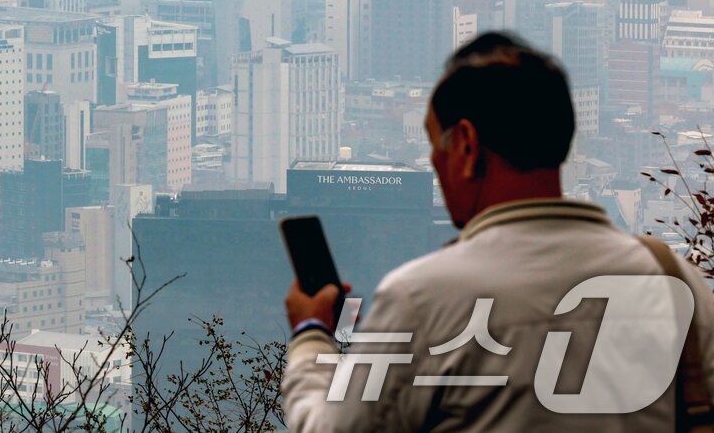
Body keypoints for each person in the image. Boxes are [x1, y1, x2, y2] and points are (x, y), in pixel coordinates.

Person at [282, 32, 714, 431]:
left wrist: (310, 335)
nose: (433, 161)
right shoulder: (675, 281)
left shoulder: (424, 298)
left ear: (467, 146)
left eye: (435, 144)